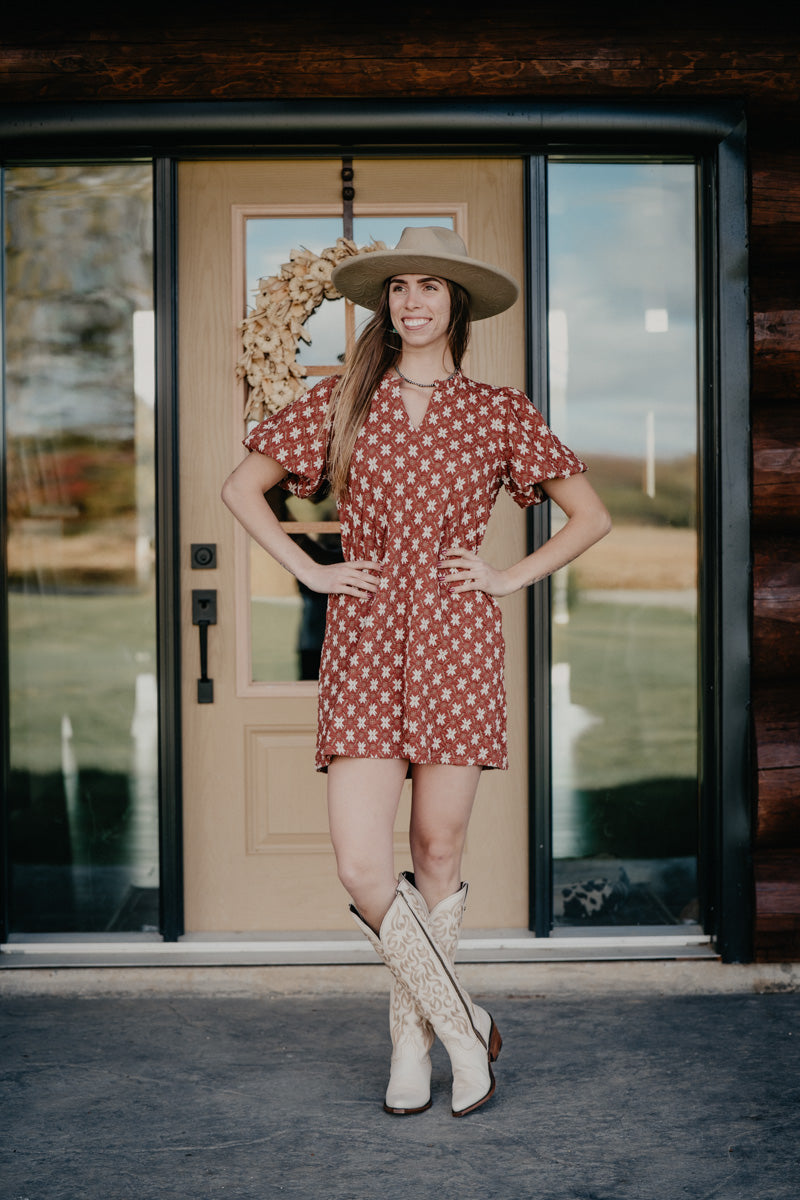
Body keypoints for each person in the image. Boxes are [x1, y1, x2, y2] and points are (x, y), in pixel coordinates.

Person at [221, 226, 611, 1118]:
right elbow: (242, 487)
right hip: (362, 639)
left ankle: (413, 1049)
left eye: (430, 286)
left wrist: (509, 575)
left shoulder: (501, 410)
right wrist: (313, 569)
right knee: (364, 865)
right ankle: (463, 1025)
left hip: (458, 641)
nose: (413, 301)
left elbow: (587, 516)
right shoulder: (342, 400)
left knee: (437, 849)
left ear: (456, 304)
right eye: (399, 288)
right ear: (385, 305)